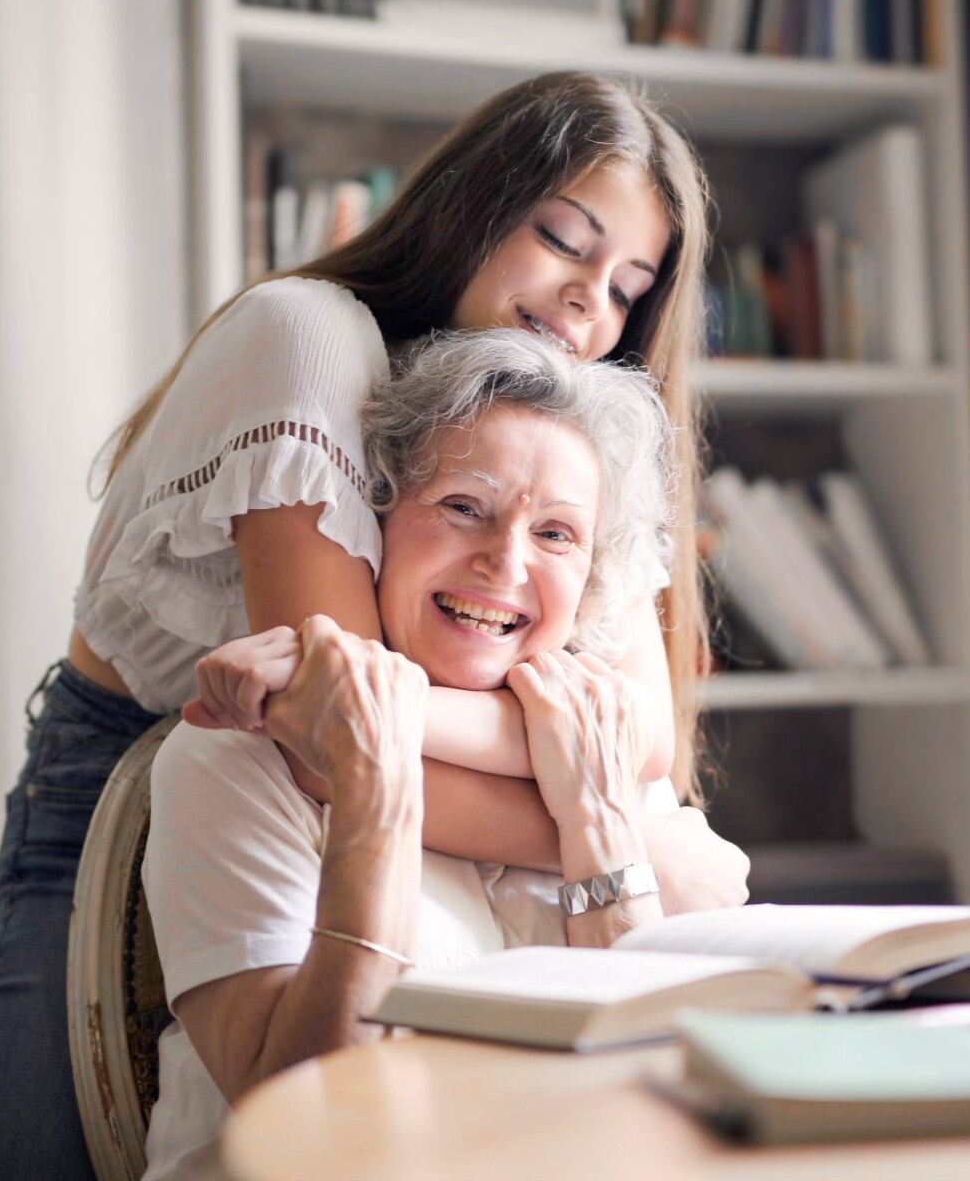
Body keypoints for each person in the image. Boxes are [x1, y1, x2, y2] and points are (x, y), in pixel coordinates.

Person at [0, 71, 746, 1180]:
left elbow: (641, 736)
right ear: (472, 208)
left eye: (628, 287)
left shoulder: (561, 422)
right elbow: (347, 743)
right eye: (563, 242)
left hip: (364, 782)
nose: (590, 306)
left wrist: (608, 791)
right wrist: (619, 825)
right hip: (142, 779)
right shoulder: (306, 338)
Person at [141, 329, 746, 1177]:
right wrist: (375, 788)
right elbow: (318, 1114)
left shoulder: (603, 756)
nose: (506, 561)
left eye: (558, 534)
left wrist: (602, 821)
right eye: (465, 506)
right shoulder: (232, 763)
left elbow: (655, 1107)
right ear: (378, 521)